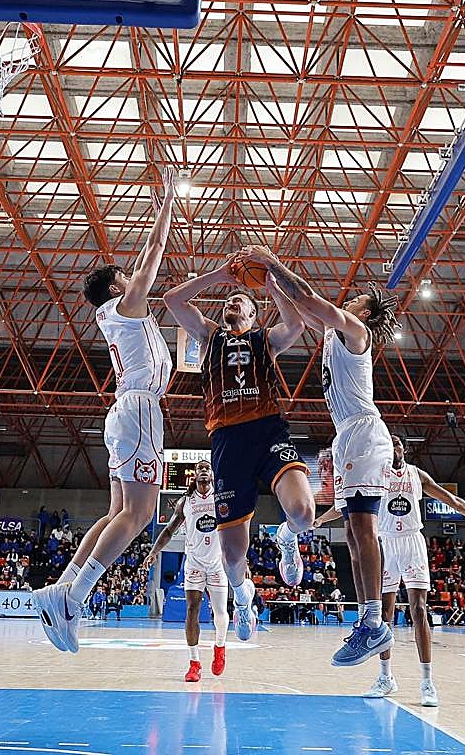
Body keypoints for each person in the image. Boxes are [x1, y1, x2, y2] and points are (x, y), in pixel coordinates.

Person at [32, 168, 178, 653]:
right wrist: (168, 204)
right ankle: (73, 598)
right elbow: (152, 256)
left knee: (117, 511)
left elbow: (138, 265)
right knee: (138, 514)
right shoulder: (126, 305)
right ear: (119, 287)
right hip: (138, 410)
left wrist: (156, 212)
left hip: (126, 410)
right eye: (125, 277)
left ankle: (63, 586)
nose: (132, 277)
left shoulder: (117, 310)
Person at [236, 245, 398, 667]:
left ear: (366, 314)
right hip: (347, 436)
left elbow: (309, 299)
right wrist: (271, 286)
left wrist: (273, 261)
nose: (349, 301)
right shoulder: (335, 332)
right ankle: (369, 623)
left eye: (357, 301)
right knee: (355, 531)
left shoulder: (355, 332)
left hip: (363, 432)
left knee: (364, 530)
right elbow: (303, 311)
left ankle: (374, 623)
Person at [163, 258, 314, 644]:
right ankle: (243, 599)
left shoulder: (265, 339)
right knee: (232, 557)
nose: (232, 301)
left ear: (252, 312)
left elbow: (296, 324)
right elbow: (172, 300)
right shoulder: (209, 335)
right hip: (227, 442)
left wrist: (271, 285)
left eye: (240, 299)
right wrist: (217, 276)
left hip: (267, 430)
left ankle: (286, 536)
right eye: (228, 299)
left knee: (304, 512)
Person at [316, 434, 465, 705]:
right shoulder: (375, 474)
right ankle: (386, 677)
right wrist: (320, 520)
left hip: (412, 542)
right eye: (390, 444)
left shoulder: (417, 475)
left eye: (398, 443)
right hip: (385, 543)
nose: (394, 448)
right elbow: (343, 506)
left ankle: (427, 682)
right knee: (383, 615)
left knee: (419, 609)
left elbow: (452, 500)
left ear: (404, 448)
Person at [141, 460, 229, 681]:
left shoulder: (221, 499)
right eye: (199, 469)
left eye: (207, 468)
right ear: (195, 476)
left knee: (220, 612)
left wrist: (240, 559)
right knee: (192, 609)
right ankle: (194, 663)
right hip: (194, 563)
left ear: (211, 475)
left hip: (217, 562)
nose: (203, 471)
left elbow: (235, 526)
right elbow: (169, 530)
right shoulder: (185, 502)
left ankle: (220, 648)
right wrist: (154, 552)